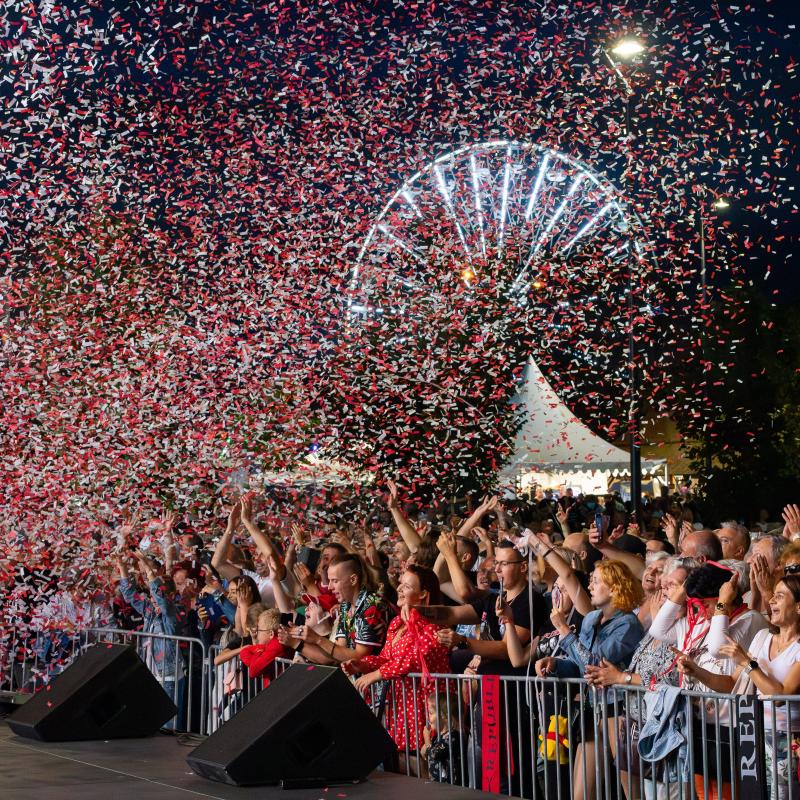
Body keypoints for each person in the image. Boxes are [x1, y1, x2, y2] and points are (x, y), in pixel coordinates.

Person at [678, 575, 800, 800]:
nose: (771, 600)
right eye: (772, 595)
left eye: (780, 596)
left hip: (787, 740)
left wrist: (747, 663)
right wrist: (696, 671)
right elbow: (733, 684)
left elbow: (781, 695)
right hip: (751, 732)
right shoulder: (763, 637)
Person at [535, 560, 645, 800]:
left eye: (596, 581)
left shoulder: (628, 623)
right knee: (581, 792)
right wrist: (555, 666)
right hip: (591, 710)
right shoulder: (591, 618)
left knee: (632, 791)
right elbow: (578, 665)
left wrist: (565, 632)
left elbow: (594, 662)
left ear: (615, 588)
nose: (590, 585)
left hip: (620, 711)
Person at [342, 565, 449, 764]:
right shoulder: (396, 623)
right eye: (400, 584)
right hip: (401, 703)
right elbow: (386, 658)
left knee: (422, 762)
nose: (399, 589)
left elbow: (413, 660)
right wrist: (363, 664)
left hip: (424, 704)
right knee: (400, 760)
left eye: (406, 586)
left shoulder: (432, 625)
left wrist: (376, 675)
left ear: (423, 593)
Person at [282, 553, 388, 664]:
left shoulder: (371, 606)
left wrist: (318, 639)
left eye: (335, 581)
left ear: (353, 580)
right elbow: (336, 654)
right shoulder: (346, 606)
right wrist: (298, 642)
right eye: (329, 581)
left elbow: (359, 657)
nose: (330, 587)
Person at [421, 690, 468, 785]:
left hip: (450, 788)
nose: (428, 717)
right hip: (438, 785)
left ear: (444, 716)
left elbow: (434, 754)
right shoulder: (438, 736)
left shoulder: (453, 737)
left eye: (430, 713)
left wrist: (427, 740)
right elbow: (425, 754)